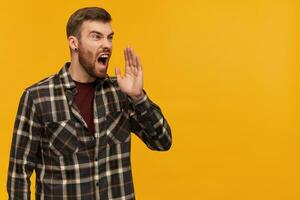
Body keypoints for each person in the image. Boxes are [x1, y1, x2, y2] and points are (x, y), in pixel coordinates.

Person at [7, 7, 172, 200]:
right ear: (74, 43)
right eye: (96, 37)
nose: (107, 45)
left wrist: (138, 98)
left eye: (109, 37)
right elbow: (19, 174)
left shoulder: (121, 93)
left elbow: (163, 142)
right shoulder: (37, 97)